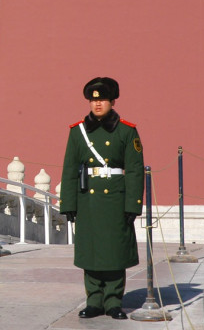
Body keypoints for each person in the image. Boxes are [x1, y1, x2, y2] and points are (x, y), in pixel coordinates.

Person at [59, 77, 144, 320]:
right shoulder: (78, 132)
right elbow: (69, 168)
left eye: (102, 100)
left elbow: (135, 170)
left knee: (114, 251)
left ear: (113, 101)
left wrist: (133, 205)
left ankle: (114, 301)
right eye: (93, 100)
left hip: (115, 199)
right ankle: (94, 300)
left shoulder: (127, 130)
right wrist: (68, 204)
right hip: (89, 200)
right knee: (91, 251)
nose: (97, 105)